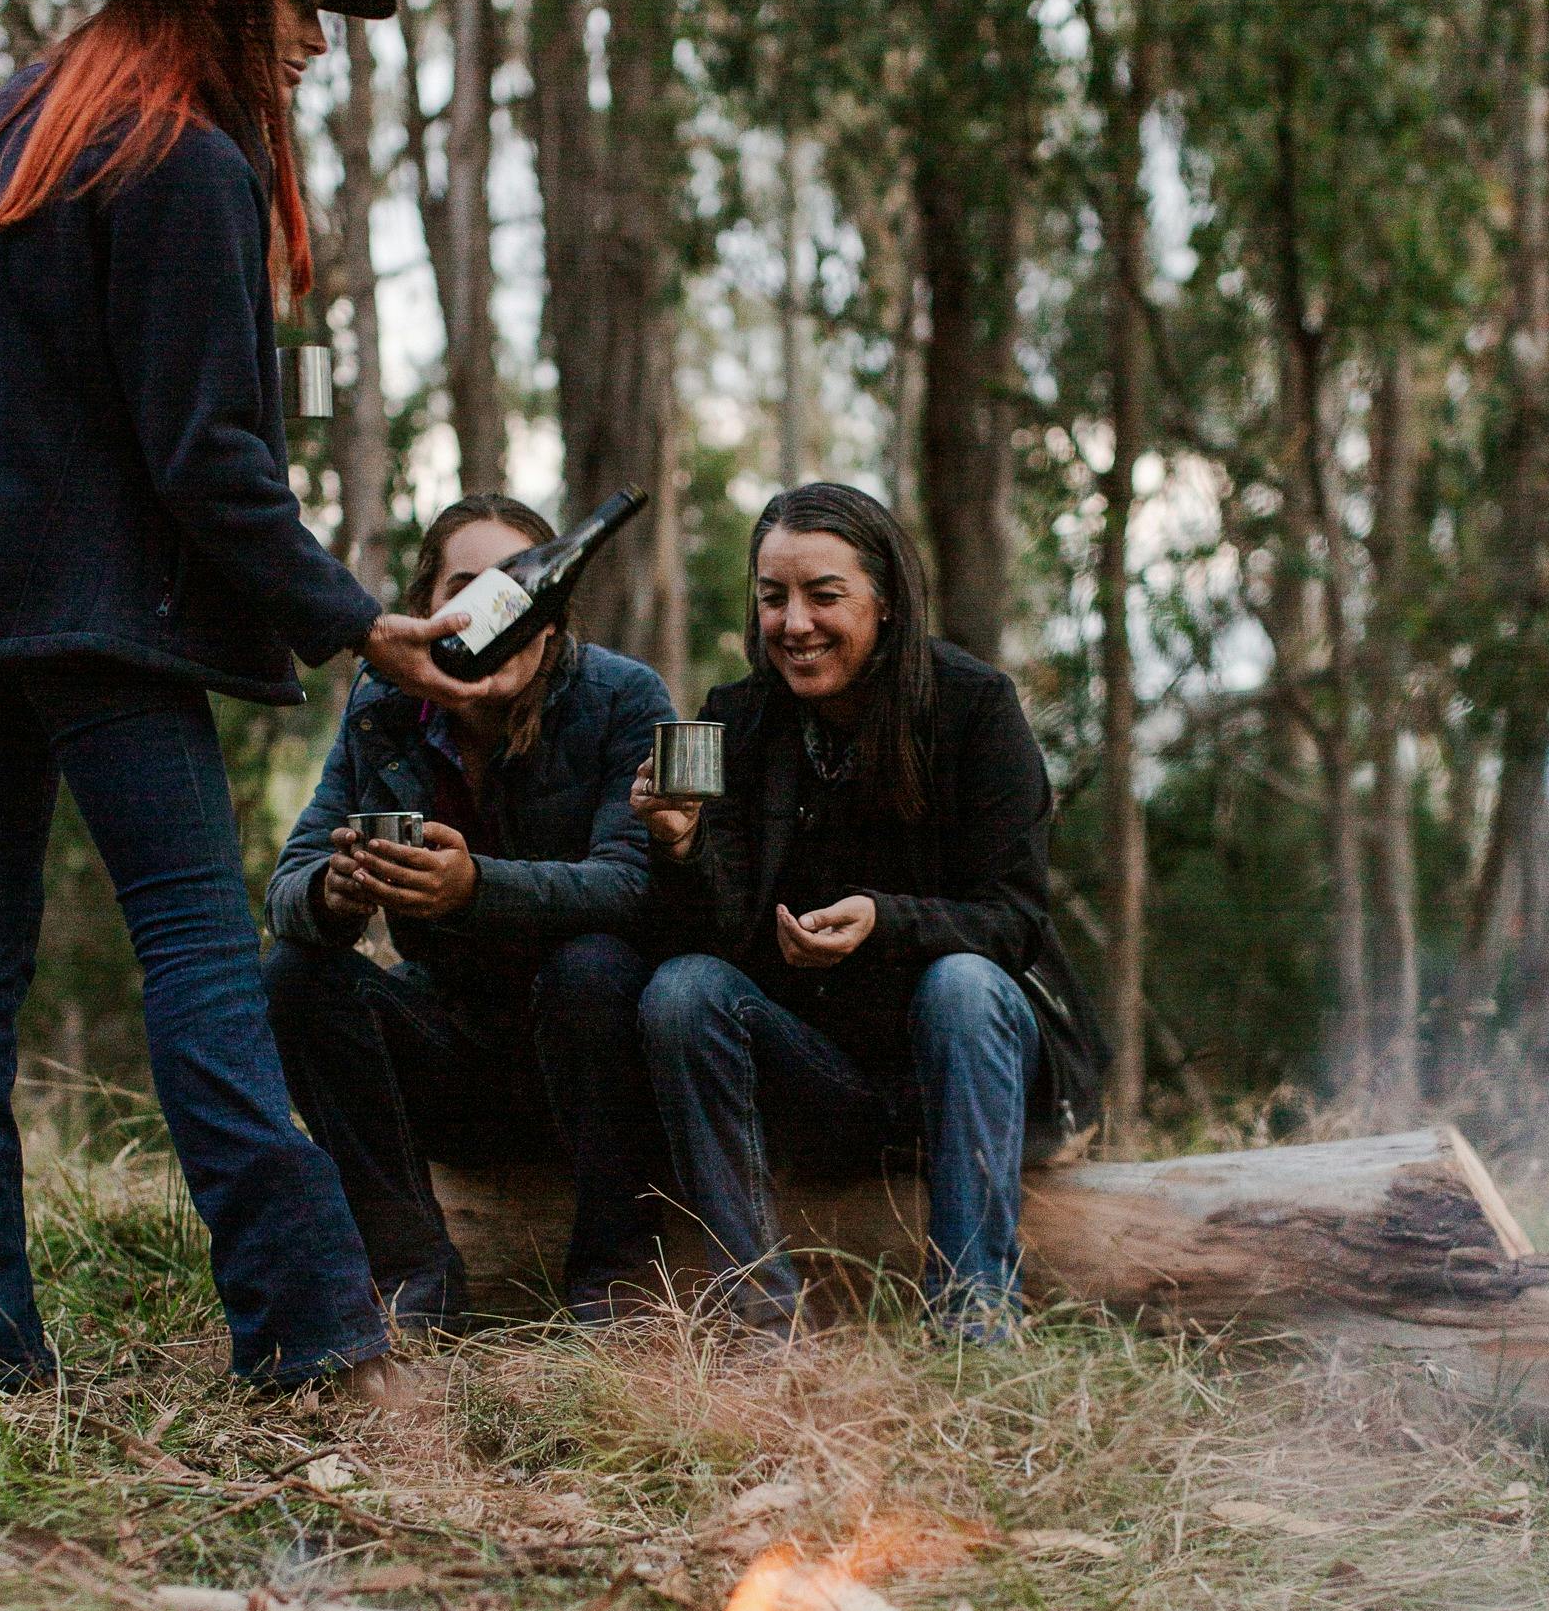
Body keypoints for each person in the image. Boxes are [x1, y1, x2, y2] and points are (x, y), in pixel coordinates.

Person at [0, 0, 510, 1398]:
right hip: (96, 623)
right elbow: (206, 457)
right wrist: (352, 620)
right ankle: (312, 1326)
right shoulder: (180, 162)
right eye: (301, 3)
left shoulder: (0, 144)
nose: (318, 41)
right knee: (193, 939)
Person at [634, 482, 1106, 1336]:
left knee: (963, 983)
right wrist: (680, 847)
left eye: (824, 596)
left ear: (884, 602)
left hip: (966, 1069)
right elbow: (711, 937)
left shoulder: (974, 708)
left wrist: (886, 923)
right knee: (681, 989)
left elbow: (1014, 921)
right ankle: (755, 1315)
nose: (794, 624)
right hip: (824, 1076)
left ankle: (972, 1318)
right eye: (773, 597)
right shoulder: (735, 723)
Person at [263, 496, 671, 1332]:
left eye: (515, 587)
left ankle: (615, 1279)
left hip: (596, 1061)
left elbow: (635, 884)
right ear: (424, 614)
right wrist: (331, 894)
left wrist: (475, 885)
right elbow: (289, 882)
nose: (494, 609)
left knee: (591, 965)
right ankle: (415, 1275)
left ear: (551, 615)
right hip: (456, 1050)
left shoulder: (623, 696)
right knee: (298, 974)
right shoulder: (385, 706)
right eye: (465, 586)